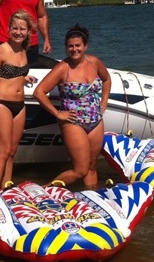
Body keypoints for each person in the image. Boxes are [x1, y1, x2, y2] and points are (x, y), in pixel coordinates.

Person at [33, 24, 110, 189]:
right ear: (66, 48)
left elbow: (107, 79)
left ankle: (92, 196)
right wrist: (57, 113)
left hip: (96, 120)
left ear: (85, 46)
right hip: (73, 122)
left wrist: (104, 101)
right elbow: (39, 92)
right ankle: (45, 189)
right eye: (70, 46)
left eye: (78, 45)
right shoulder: (63, 68)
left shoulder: (94, 62)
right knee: (80, 170)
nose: (74, 49)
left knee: (92, 166)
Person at [0, 10, 36, 192]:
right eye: (15, 28)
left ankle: (6, 188)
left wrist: (24, 77)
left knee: (12, 151)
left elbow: (12, 74)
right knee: (3, 151)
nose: (18, 32)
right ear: (8, 29)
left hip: (20, 106)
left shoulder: (23, 50)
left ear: (28, 31)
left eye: (22, 29)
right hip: (2, 104)